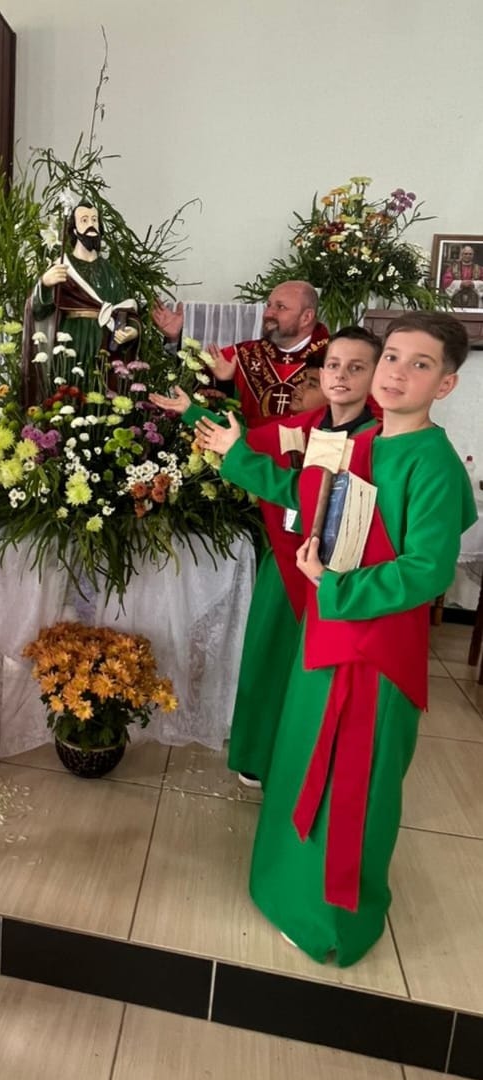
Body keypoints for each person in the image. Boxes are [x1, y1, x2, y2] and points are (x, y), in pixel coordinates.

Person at [228, 311, 474, 966]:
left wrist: (336, 589)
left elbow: (428, 569)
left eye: (420, 364)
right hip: (331, 630)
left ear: (445, 384)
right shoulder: (366, 441)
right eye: (392, 357)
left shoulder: (433, 462)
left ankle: (331, 919)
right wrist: (234, 452)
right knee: (302, 758)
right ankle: (284, 885)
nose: (397, 373)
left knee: (350, 782)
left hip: (372, 650)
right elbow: (307, 496)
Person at [189, 327, 381, 788]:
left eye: (356, 368)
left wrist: (239, 458)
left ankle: (306, 768)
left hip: (343, 575)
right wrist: (189, 412)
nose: (339, 376)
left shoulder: (380, 438)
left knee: (319, 678)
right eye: (332, 367)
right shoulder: (311, 425)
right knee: (268, 658)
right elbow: (254, 445)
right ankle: (260, 755)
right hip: (288, 557)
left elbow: (304, 493)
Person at [153, 281, 330, 428]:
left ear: (306, 317)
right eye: (268, 305)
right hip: (248, 452)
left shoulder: (332, 360)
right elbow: (188, 383)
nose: (268, 313)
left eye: (280, 307)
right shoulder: (244, 354)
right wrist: (175, 339)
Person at [24, 203, 140, 403]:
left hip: (103, 341)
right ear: (74, 229)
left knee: (100, 398)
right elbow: (38, 311)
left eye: (94, 220)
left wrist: (131, 331)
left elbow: (125, 310)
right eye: (84, 220)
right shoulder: (62, 267)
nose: (91, 225)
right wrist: (44, 283)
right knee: (69, 394)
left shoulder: (111, 272)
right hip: (71, 338)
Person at [441, 244, 483, 309]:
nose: (468, 256)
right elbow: (446, 282)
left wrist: (474, 283)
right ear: (462, 255)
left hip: (475, 299)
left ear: (473, 255)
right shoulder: (452, 268)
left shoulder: (480, 269)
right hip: (456, 297)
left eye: (470, 254)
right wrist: (460, 283)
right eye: (465, 254)